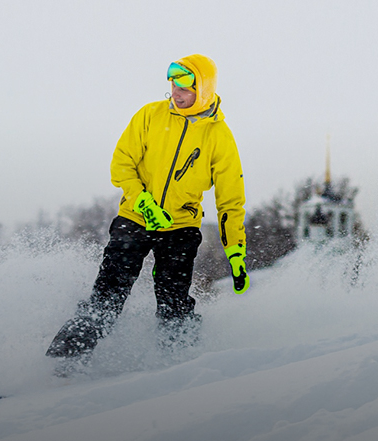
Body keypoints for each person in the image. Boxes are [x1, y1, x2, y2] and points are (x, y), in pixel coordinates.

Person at [46, 53, 249, 359]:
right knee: (108, 295)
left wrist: (235, 250)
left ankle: (179, 364)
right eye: (173, 86)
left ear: (203, 89)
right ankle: (63, 361)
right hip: (134, 219)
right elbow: (121, 164)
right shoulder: (150, 115)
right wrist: (143, 201)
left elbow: (230, 199)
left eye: (184, 88)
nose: (175, 93)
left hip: (181, 228)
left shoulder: (219, 136)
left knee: (174, 304)